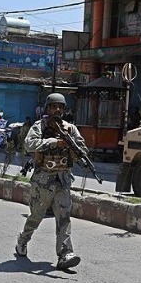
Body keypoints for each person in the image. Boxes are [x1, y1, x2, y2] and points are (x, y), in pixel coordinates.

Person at [15, 93, 87, 270]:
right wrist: (53, 142)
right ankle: (23, 240)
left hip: (62, 181)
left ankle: (65, 254)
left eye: (60, 107)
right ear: (48, 108)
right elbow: (29, 144)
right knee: (36, 217)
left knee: (64, 218)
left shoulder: (70, 128)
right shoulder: (39, 126)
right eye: (54, 106)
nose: (57, 110)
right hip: (43, 182)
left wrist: (76, 150)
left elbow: (82, 148)